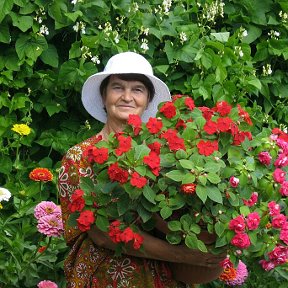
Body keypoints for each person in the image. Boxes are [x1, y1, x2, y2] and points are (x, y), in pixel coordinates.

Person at [58, 52, 225, 288]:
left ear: (147, 100)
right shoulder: (79, 157)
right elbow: (102, 234)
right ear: (104, 96)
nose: (127, 97)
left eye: (137, 89)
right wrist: (187, 256)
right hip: (105, 278)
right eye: (117, 87)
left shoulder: (164, 156)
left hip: (163, 278)